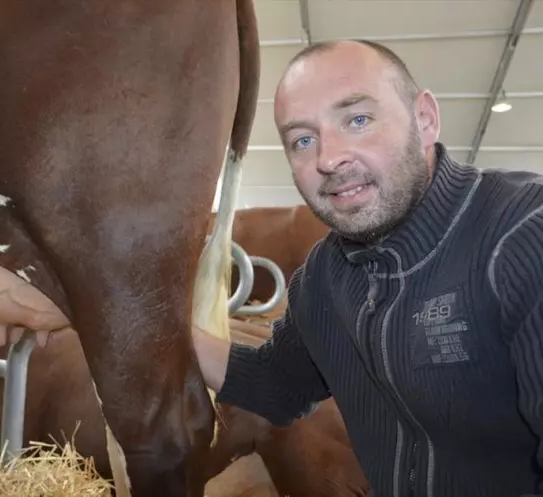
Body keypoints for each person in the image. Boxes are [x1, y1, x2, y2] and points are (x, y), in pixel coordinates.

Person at [192, 39, 543, 497]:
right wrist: (154, 330)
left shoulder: (523, 237)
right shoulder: (323, 277)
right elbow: (277, 384)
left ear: (426, 119)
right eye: (303, 139)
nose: (328, 158)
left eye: (357, 120)